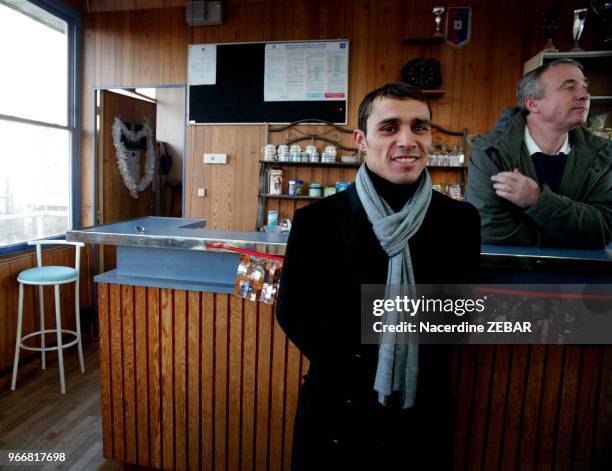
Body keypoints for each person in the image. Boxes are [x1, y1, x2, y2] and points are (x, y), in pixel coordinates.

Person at [276, 83, 481, 470]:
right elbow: (294, 312)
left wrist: (362, 316)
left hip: (422, 413)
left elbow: (458, 316)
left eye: (419, 127)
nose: (408, 140)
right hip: (338, 408)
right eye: (389, 128)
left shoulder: (460, 222)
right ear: (362, 140)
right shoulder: (317, 222)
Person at [465, 59, 612, 249]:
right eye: (569, 87)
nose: (585, 95)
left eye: (585, 87)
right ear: (533, 104)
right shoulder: (490, 151)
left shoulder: (603, 154)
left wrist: (538, 200)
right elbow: (488, 229)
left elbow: (604, 229)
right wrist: (569, 239)